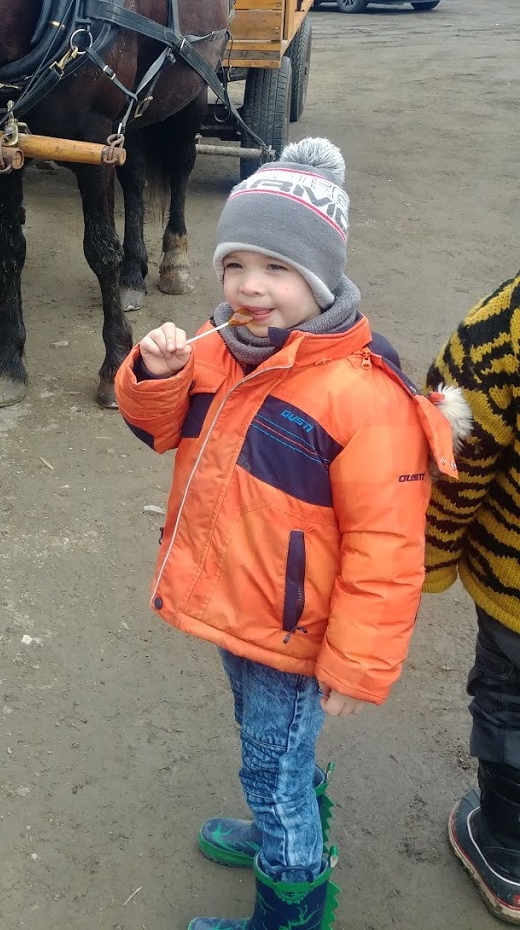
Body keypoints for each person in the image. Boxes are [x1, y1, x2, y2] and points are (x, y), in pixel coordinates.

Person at [115, 136, 468, 930]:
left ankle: (293, 901)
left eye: (276, 269)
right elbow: (159, 428)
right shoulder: (220, 348)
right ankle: (283, 820)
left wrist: (355, 663)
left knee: (270, 761)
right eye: (236, 264)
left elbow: (388, 548)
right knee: (266, 743)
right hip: (240, 607)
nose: (250, 287)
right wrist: (156, 373)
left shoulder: (362, 395)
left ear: (320, 276)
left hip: (299, 629)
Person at [424, 272, 520, 924]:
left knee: (508, 700)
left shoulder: (505, 323)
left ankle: (508, 854)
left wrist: (429, 559)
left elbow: (459, 448)